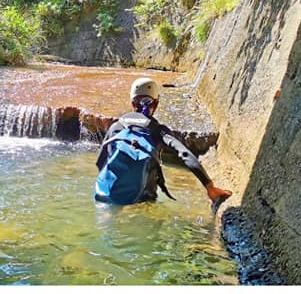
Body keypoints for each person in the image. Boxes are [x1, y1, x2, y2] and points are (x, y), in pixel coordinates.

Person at [95, 76, 233, 213]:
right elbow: (184, 154)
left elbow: (100, 163)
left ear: (132, 103)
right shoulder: (158, 130)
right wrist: (210, 188)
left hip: (109, 197)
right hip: (145, 202)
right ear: (156, 104)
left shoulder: (116, 127)